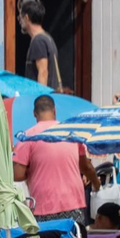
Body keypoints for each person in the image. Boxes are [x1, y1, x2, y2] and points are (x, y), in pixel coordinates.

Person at [14, 95, 97, 229]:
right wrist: (97, 184)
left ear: (34, 113)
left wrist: (32, 170)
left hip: (42, 205)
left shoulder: (28, 137)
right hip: (73, 203)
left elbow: (17, 174)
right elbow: (86, 167)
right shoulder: (72, 133)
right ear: (55, 110)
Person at [20, 0, 62, 89]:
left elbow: (43, 72)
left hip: (43, 99)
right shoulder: (47, 38)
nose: (20, 21)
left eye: (21, 17)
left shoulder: (38, 41)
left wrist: (41, 98)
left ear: (26, 18)